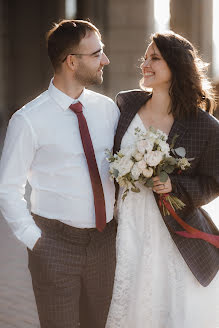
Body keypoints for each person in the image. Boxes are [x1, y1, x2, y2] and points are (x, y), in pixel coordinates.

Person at [0, 19, 120, 328]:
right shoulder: (27, 120)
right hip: (54, 244)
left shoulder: (108, 110)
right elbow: (8, 188)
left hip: (106, 245)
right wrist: (36, 241)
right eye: (97, 53)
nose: (105, 59)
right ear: (71, 62)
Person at [106, 31, 219, 328]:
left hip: (173, 232)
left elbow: (213, 183)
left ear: (177, 66)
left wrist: (175, 186)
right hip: (127, 224)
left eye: (155, 57)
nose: (145, 63)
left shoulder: (205, 126)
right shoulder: (124, 105)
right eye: (145, 57)